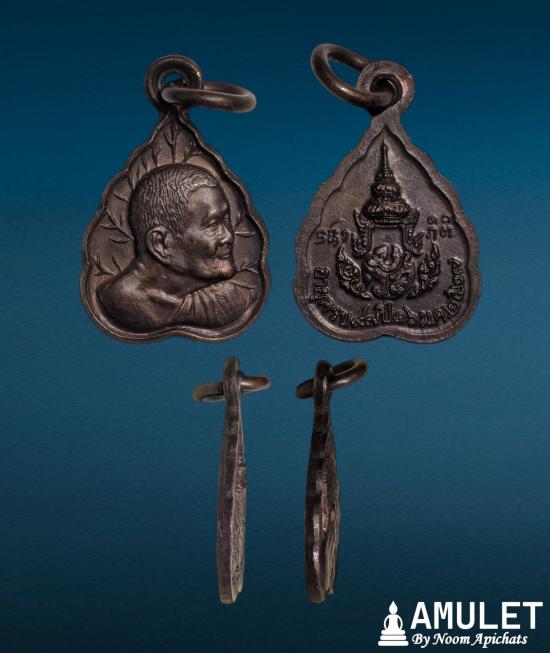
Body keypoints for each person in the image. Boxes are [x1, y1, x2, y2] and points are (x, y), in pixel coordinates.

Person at [98, 163, 258, 330]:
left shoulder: (229, 297)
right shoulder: (123, 302)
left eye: (225, 220)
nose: (228, 236)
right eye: (212, 224)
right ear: (160, 244)